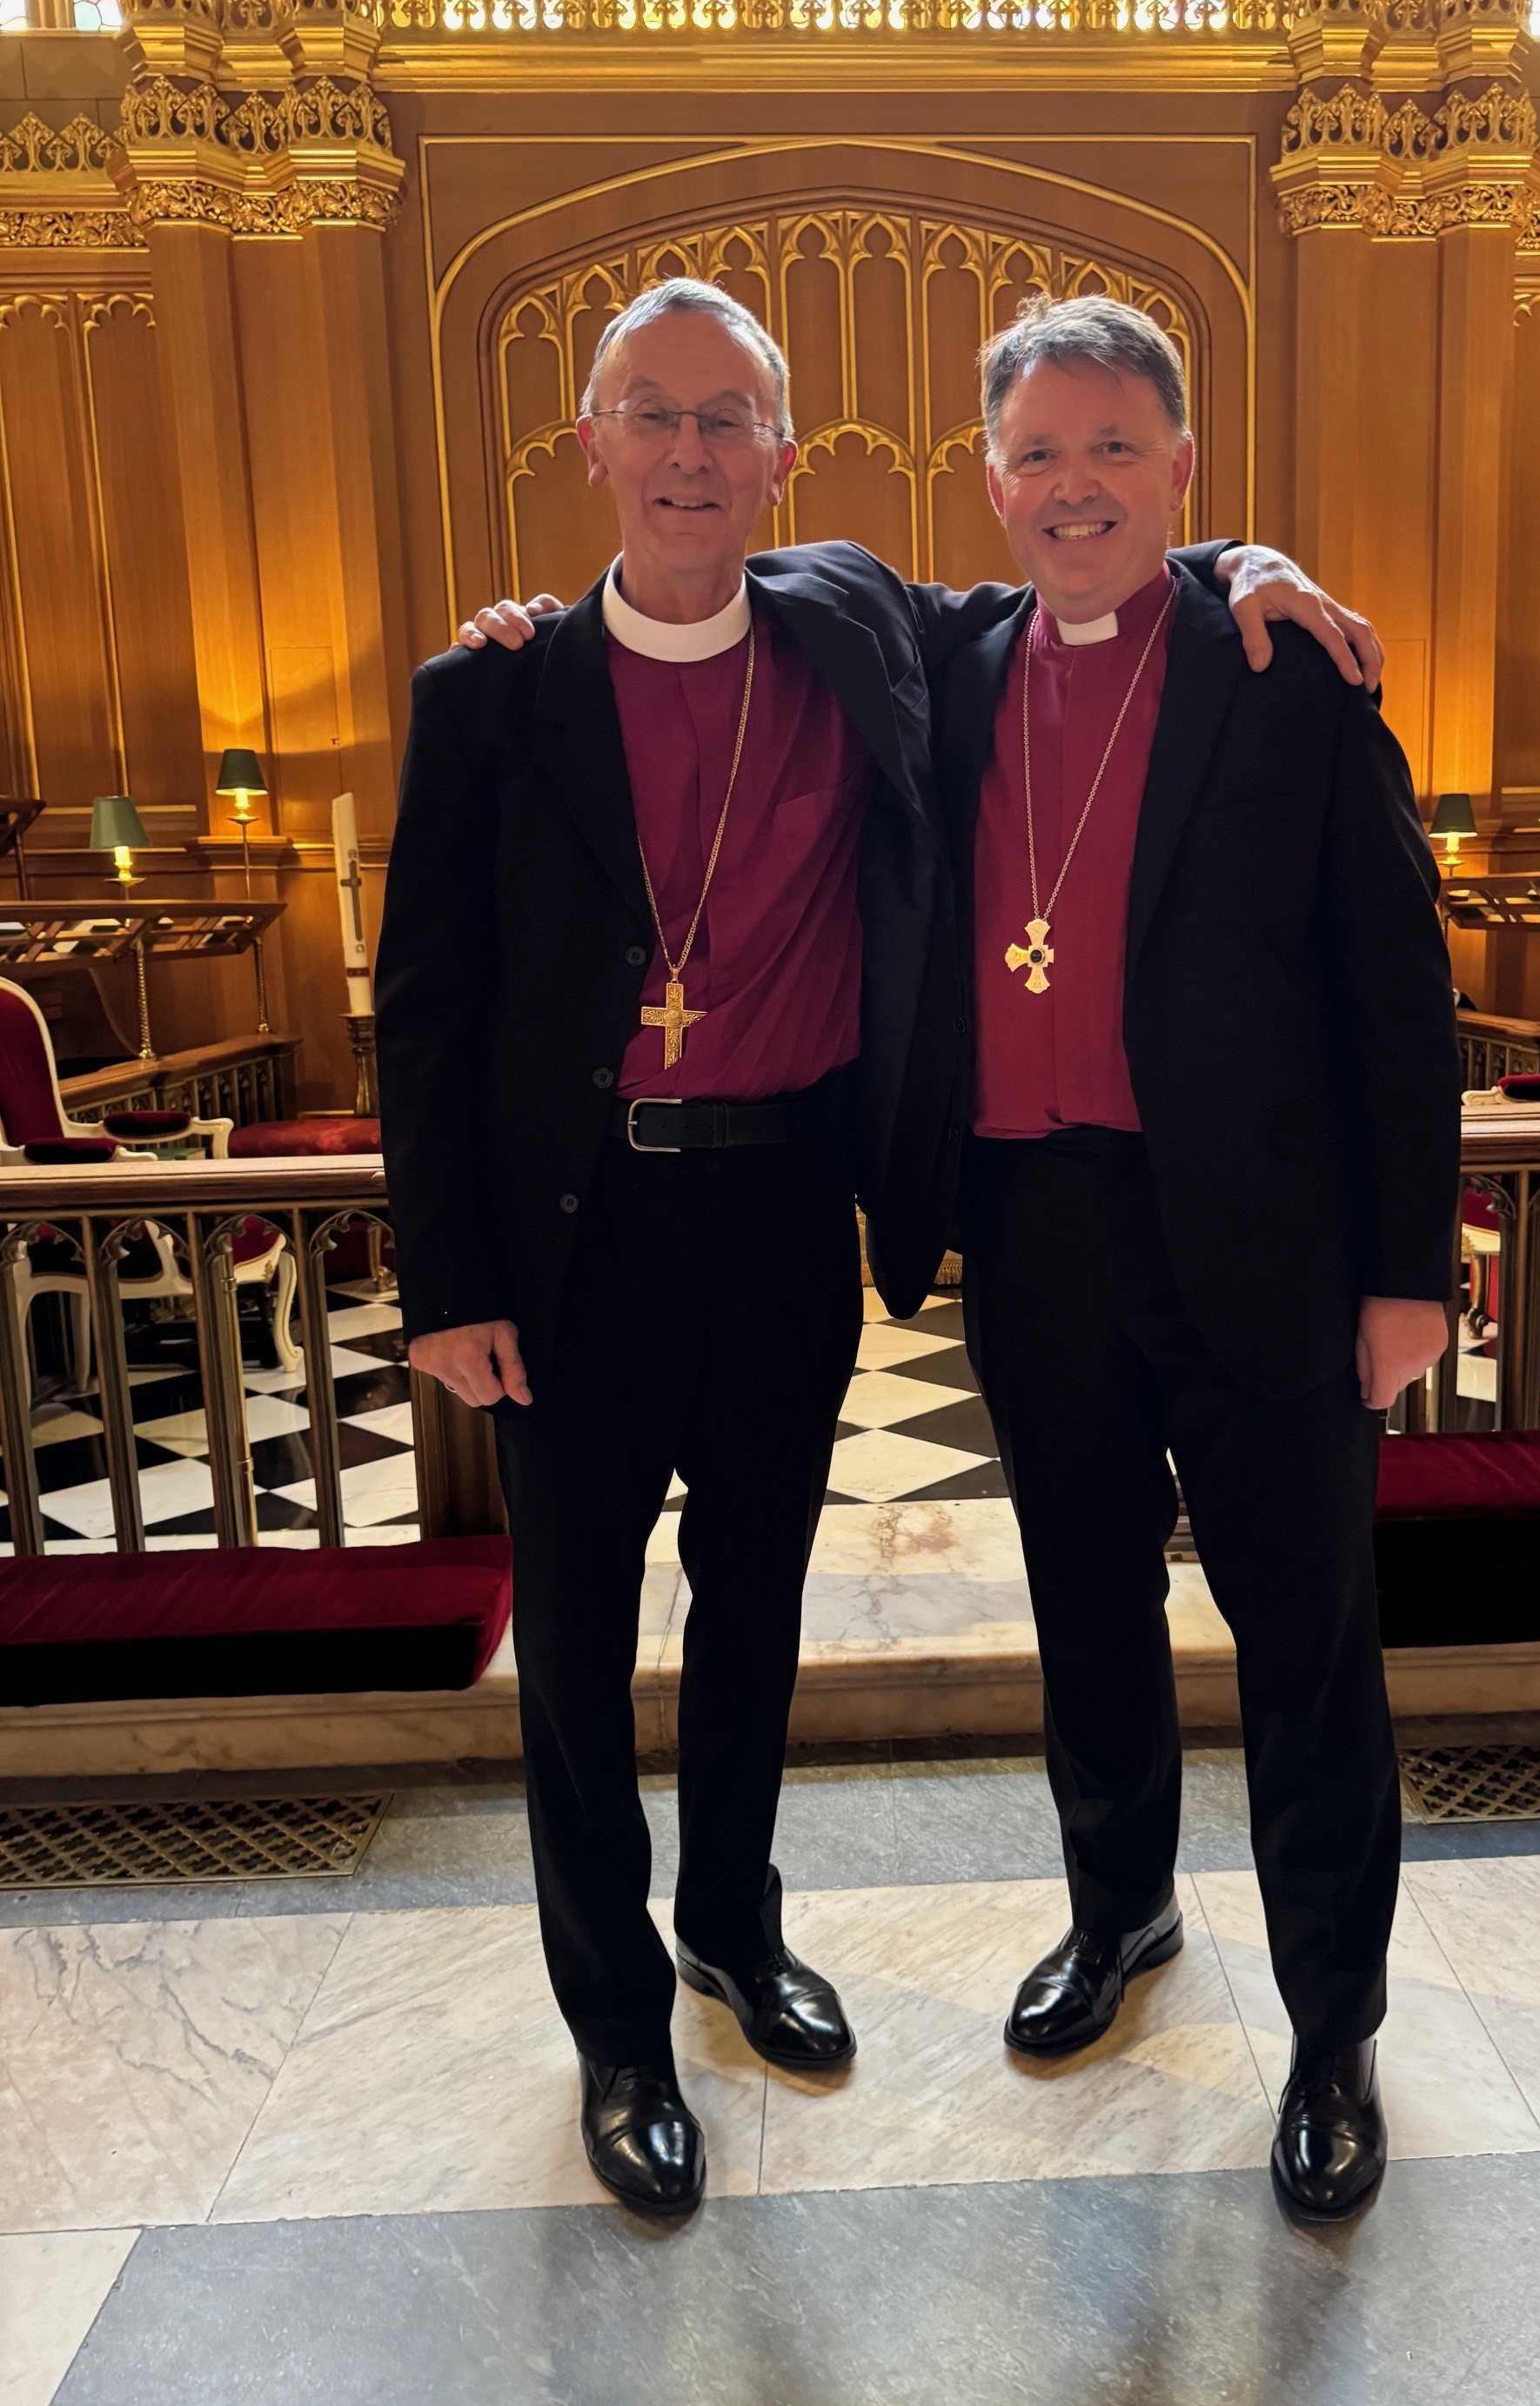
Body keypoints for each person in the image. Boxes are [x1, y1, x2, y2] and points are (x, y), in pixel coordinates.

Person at [380, 277, 1378, 2221]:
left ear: (782, 453)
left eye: (723, 420)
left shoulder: (860, 630)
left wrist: (1257, 552)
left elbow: (1122, 559)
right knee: (579, 1654)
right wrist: (450, 1281)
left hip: (778, 1209)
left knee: (755, 1611)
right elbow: (424, 1007)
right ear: (585, 441)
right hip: (579, 1231)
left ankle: (736, 1938)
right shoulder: (491, 692)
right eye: (648, 417)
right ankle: (615, 2035)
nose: (686, 453)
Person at [933, 293, 1460, 2224]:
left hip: (1262, 1236)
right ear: (989, 483)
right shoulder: (947, 658)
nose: (1074, 488)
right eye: (1038, 454)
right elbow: (743, 587)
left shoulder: (1281, 671)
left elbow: (1401, 993)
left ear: (1180, 465)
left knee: (1306, 1641)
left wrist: (1410, 1271)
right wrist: (530, 629)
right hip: (1031, 1224)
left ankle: (1333, 2029)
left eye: (1112, 450)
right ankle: (1123, 1913)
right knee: (1088, 1611)